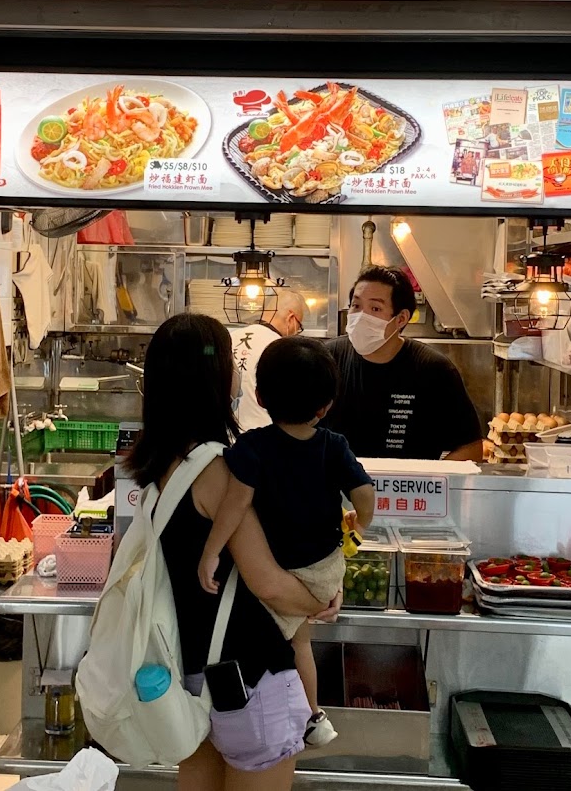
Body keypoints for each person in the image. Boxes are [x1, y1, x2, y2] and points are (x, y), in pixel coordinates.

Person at [127, 313, 341, 791]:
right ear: (218, 379)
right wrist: (319, 602)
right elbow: (266, 581)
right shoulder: (222, 470)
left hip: (193, 673)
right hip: (250, 676)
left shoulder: (158, 465)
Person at [197, 336, 375, 748]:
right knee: (301, 642)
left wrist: (210, 551)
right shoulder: (334, 446)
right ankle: (312, 715)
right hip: (326, 568)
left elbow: (235, 506)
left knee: (284, 644)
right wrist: (358, 525)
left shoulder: (252, 448)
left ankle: (296, 716)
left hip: (282, 571)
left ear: (259, 396)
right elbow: (365, 495)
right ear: (326, 405)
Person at [323, 265, 484, 461]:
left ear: (401, 319)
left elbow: (471, 449)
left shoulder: (433, 370)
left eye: (375, 308)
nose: (360, 317)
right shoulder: (327, 359)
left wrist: (428, 483)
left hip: (405, 490)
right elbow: (298, 429)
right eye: (356, 306)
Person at [230, 289, 307, 431]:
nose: (297, 333)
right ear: (291, 318)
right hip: (263, 437)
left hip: (227, 434)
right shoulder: (281, 348)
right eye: (299, 326)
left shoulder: (232, 337)